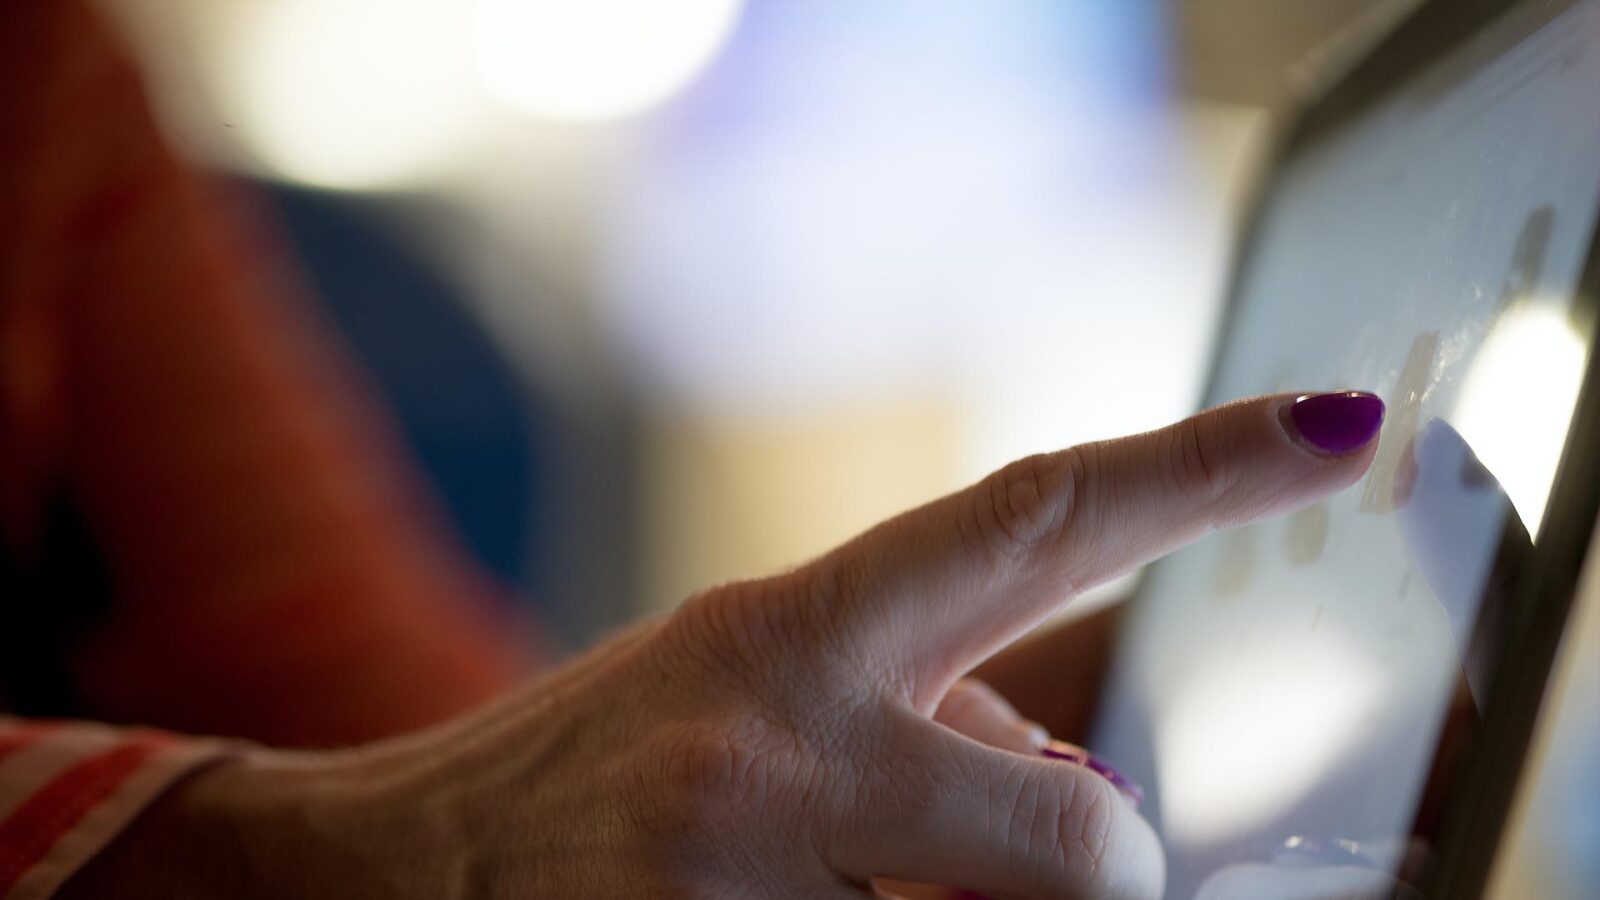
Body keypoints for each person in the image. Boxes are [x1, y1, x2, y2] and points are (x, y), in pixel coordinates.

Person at [0, 3, 1386, 898]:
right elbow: (429, 832)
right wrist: (412, 852)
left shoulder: (51, 81)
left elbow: (407, 742)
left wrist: (819, 780)